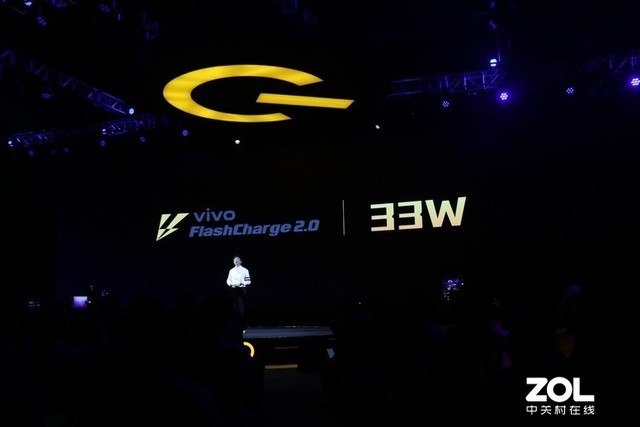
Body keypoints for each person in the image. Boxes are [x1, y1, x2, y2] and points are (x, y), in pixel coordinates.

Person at [226, 255, 251, 322]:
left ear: (241, 261)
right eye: (234, 260)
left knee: (241, 306)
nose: (236, 261)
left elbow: (248, 281)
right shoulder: (231, 270)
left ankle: (243, 322)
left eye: (237, 260)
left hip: (241, 289)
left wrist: (241, 283)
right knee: (233, 306)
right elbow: (228, 280)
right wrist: (231, 284)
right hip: (233, 290)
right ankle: (235, 323)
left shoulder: (245, 270)